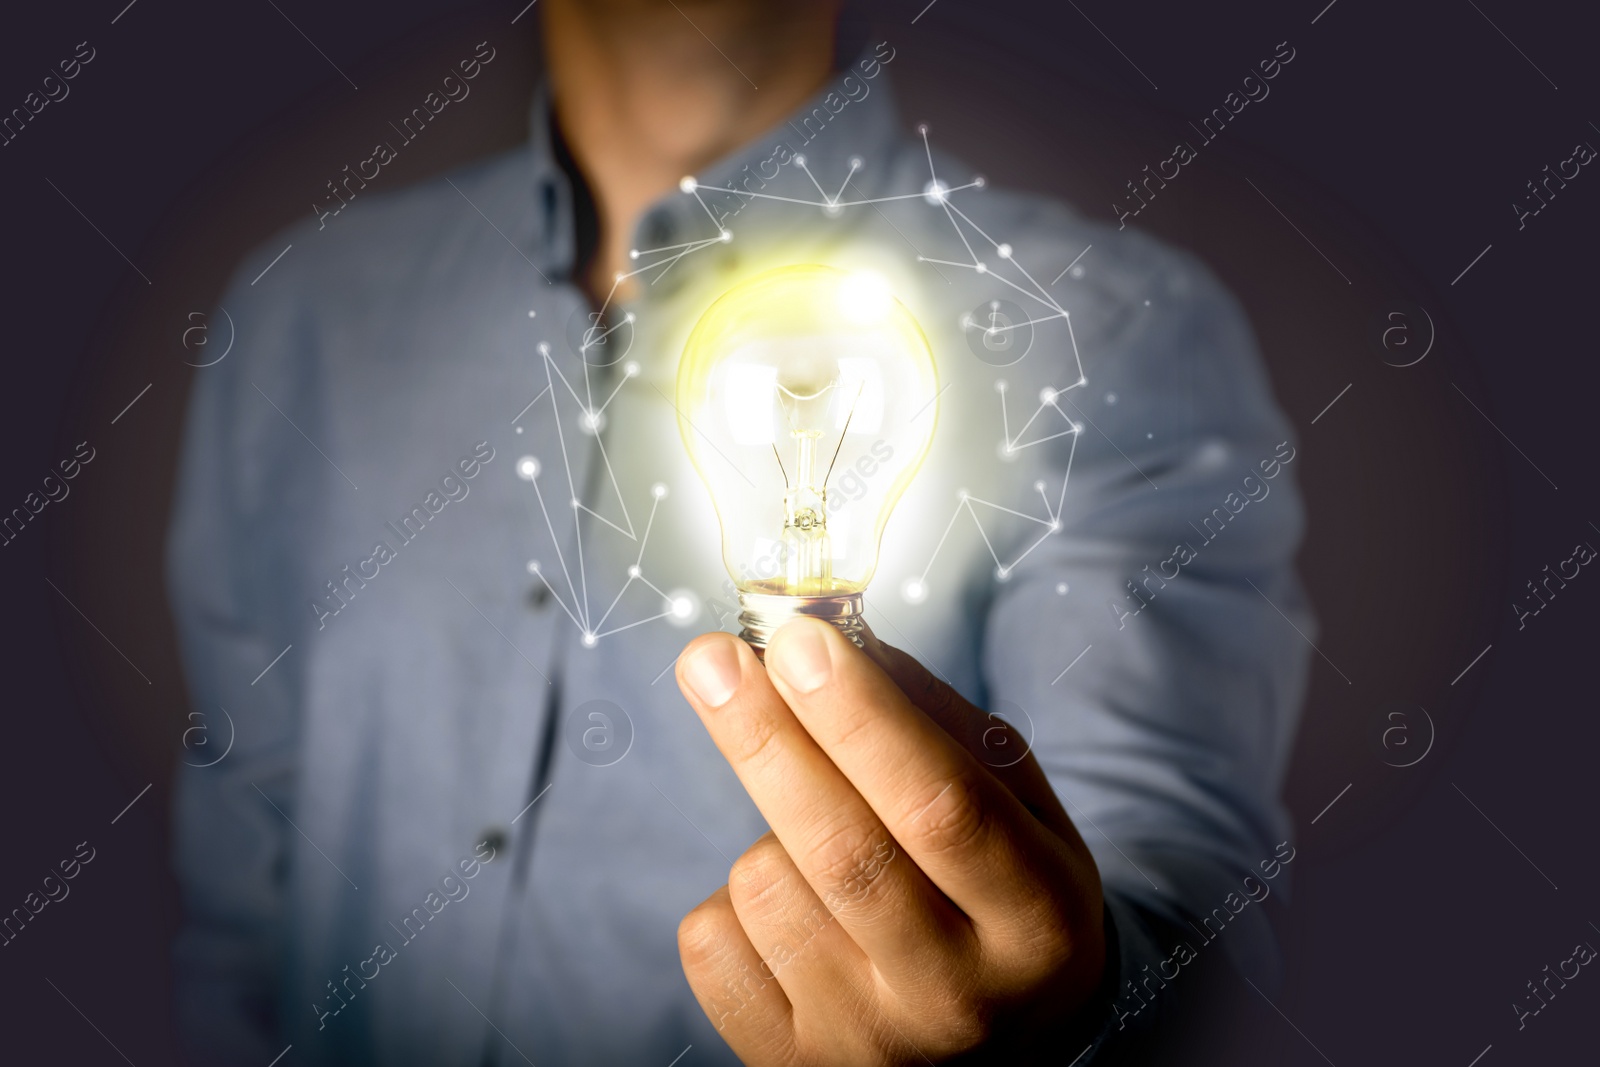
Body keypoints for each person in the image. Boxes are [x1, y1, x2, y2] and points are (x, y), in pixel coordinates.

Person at [166, 1, 1311, 1063]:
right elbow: (242, 865)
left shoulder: (1101, 329)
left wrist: (1061, 1013)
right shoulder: (304, 315)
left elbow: (1175, 895)